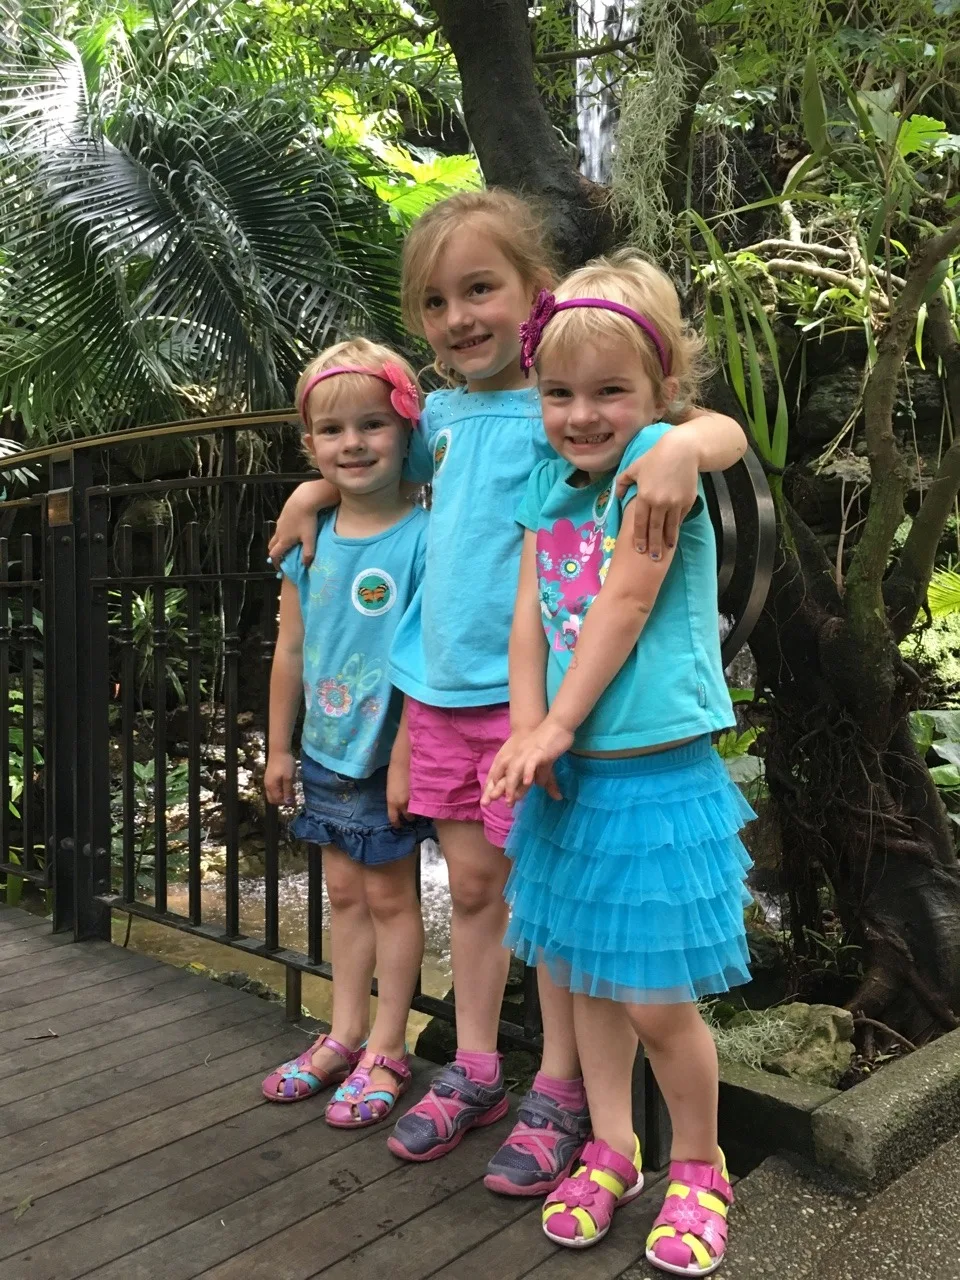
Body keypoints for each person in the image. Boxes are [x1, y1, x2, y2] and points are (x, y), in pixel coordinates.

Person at [266, 189, 748, 1186]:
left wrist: (684, 445)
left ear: (535, 292)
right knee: (480, 889)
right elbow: (369, 466)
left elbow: (708, 429)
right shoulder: (439, 418)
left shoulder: (565, 406)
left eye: (480, 288)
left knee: (556, 906)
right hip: (447, 693)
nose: (458, 317)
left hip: (541, 707)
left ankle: (563, 1090)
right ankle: (479, 1065)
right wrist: (313, 488)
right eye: (436, 301)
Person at [481, 252, 754, 1273]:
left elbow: (629, 597)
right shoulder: (548, 486)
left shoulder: (656, 458)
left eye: (609, 390)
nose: (581, 414)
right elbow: (527, 621)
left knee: (654, 999)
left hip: (650, 773)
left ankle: (701, 1162)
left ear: (658, 388)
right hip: (571, 774)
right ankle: (612, 1144)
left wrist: (682, 440)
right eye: (559, 392)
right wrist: (528, 729)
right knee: (585, 980)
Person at [260, 339, 434, 1129]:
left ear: (406, 431)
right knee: (342, 894)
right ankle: (344, 1032)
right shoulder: (311, 539)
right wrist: (279, 747)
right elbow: (290, 649)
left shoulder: (426, 537)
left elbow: (429, 655)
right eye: (332, 430)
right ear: (310, 444)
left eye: (372, 424)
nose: (353, 443)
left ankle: (389, 1047)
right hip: (325, 751)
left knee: (392, 899)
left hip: (389, 752)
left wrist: (406, 754)